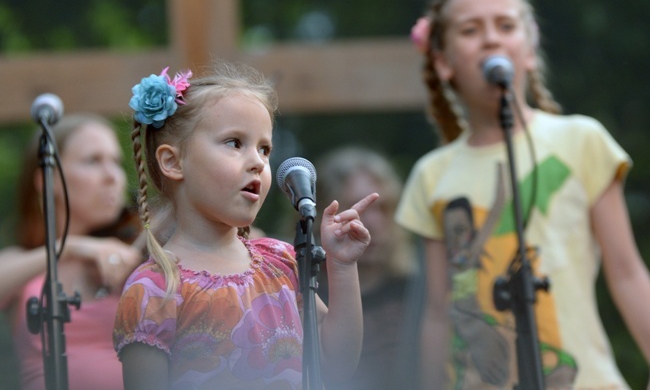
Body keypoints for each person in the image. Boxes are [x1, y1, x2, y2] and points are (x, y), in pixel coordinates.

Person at [396, 0, 650, 389]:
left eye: (506, 26)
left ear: (529, 51)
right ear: (443, 61)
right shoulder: (432, 174)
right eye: (471, 30)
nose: (491, 39)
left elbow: (626, 273)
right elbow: (438, 311)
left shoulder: (580, 140)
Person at [113, 61, 378, 389]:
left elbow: (335, 365)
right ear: (173, 162)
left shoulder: (282, 263)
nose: (257, 161)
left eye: (264, 149)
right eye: (234, 143)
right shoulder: (154, 289)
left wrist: (341, 266)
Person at [0, 113, 143, 390]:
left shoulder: (135, 255)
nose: (112, 176)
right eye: (93, 161)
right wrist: (71, 248)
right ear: (47, 180)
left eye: (115, 162)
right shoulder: (23, 262)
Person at [315, 146, 424, 390]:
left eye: (383, 208)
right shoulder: (304, 293)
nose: (373, 222)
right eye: (356, 208)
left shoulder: (417, 291)